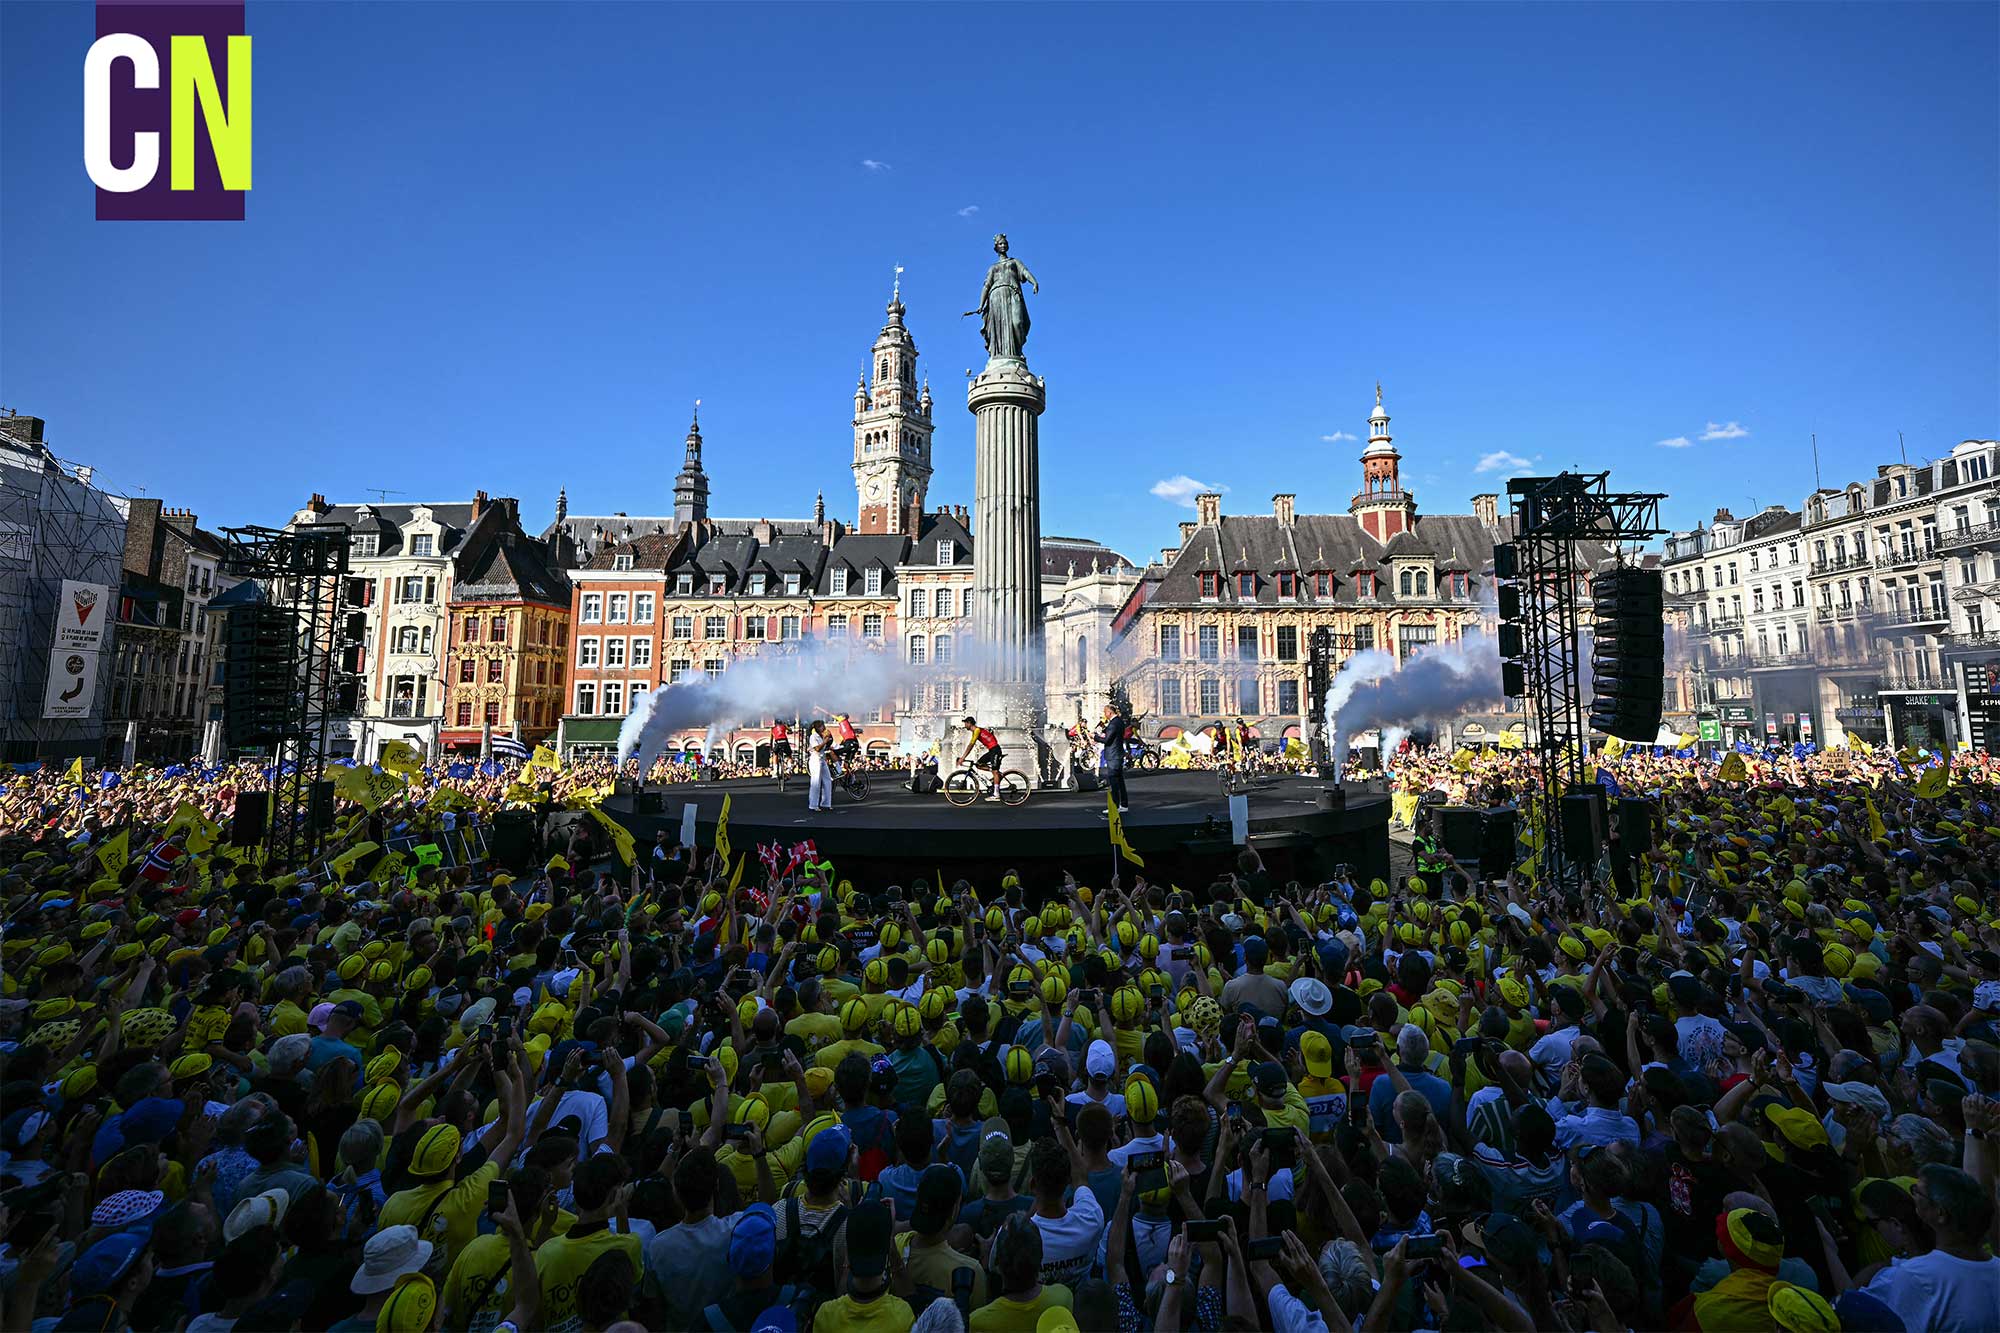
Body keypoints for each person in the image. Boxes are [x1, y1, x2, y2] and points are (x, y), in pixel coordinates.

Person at [1093, 704, 1130, 813]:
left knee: (1114, 781)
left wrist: (1095, 737)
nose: (1104, 715)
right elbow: (1112, 735)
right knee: (1120, 781)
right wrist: (1104, 730)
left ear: (1109, 712)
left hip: (1113, 755)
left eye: (1105, 713)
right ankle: (1123, 805)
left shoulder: (1114, 724)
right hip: (1117, 754)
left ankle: (1115, 806)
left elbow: (1108, 740)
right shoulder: (1118, 722)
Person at [957, 717, 1004, 802]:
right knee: (978, 764)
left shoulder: (977, 730)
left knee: (995, 771)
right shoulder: (978, 730)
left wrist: (963, 758)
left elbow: (971, 745)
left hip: (995, 750)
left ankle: (996, 794)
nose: (964, 725)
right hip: (992, 750)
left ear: (969, 723)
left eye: (965, 723)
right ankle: (994, 772)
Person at [807, 720, 834, 813]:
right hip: (815, 759)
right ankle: (813, 805)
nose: (824, 727)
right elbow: (817, 748)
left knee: (828, 780)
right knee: (816, 782)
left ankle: (826, 803)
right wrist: (825, 740)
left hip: (822, 759)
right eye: (822, 726)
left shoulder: (822, 736)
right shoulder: (813, 736)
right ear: (818, 727)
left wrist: (827, 738)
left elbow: (826, 746)